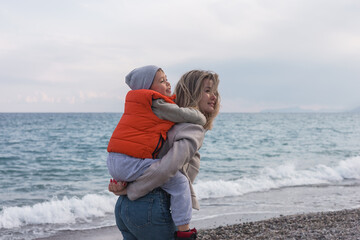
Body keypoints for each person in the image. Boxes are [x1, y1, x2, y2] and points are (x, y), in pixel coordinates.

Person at [109, 69, 220, 240]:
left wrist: (124, 189)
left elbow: (136, 156)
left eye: (215, 92)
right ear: (192, 92)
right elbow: (164, 170)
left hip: (124, 209)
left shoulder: (163, 121)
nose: (214, 96)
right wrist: (130, 190)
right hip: (149, 207)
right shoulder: (193, 128)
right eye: (207, 91)